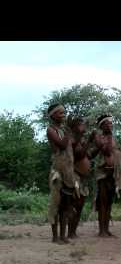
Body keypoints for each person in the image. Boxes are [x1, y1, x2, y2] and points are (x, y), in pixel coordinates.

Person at [92, 113, 121, 238]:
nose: (110, 125)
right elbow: (107, 152)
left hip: (113, 175)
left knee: (109, 203)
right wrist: (108, 136)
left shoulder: (113, 138)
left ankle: (106, 230)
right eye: (107, 123)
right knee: (102, 203)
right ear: (101, 126)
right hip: (103, 174)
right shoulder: (99, 137)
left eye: (111, 123)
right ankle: (101, 230)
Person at [46, 104, 77, 244]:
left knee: (66, 205)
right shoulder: (51, 130)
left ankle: (63, 236)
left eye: (64, 113)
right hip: (58, 172)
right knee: (56, 204)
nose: (63, 115)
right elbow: (63, 145)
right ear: (52, 115)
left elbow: (74, 145)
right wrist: (70, 131)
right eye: (60, 113)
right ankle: (55, 237)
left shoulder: (64, 130)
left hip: (68, 172)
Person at [66, 115, 97, 239]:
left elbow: (88, 156)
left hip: (83, 178)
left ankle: (73, 232)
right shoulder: (72, 139)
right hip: (74, 176)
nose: (84, 127)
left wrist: (98, 147)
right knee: (73, 205)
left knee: (79, 206)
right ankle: (69, 232)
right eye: (81, 124)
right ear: (74, 127)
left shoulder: (82, 140)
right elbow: (79, 155)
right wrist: (90, 141)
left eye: (84, 124)